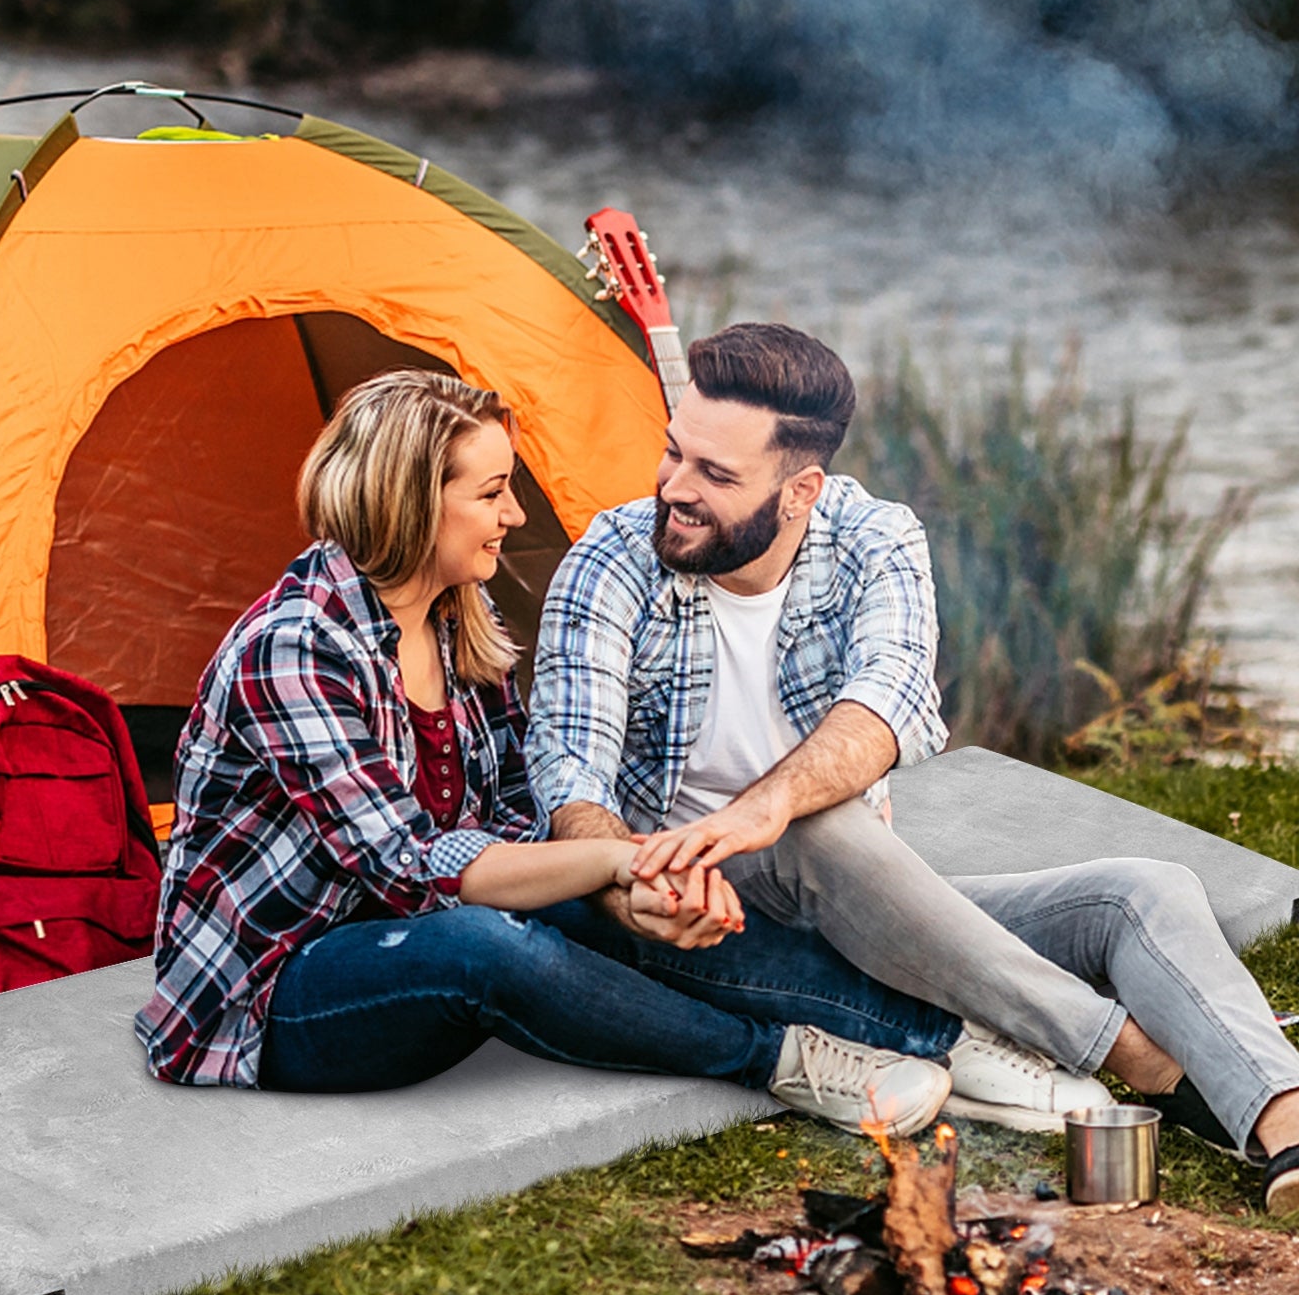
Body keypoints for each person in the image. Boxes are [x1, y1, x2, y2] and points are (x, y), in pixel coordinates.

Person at [526, 321, 1299, 1214]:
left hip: (867, 895)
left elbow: (889, 706)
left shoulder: (876, 540)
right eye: (674, 456)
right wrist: (623, 878)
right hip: (704, 914)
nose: (675, 490)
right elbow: (568, 769)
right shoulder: (613, 558)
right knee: (823, 826)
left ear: (800, 490)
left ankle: (1285, 1125)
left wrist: (761, 808)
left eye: (716, 475)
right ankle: (1133, 1053)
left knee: (1143, 891)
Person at [136, 368, 962, 1135]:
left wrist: (636, 881)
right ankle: (779, 1061)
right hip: (272, 997)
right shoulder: (296, 648)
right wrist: (614, 866)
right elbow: (406, 869)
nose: (516, 516)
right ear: (413, 503)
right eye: (493, 492)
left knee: (604, 900)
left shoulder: (458, 614)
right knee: (490, 942)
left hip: (418, 927)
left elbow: (512, 815)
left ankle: (935, 1032)